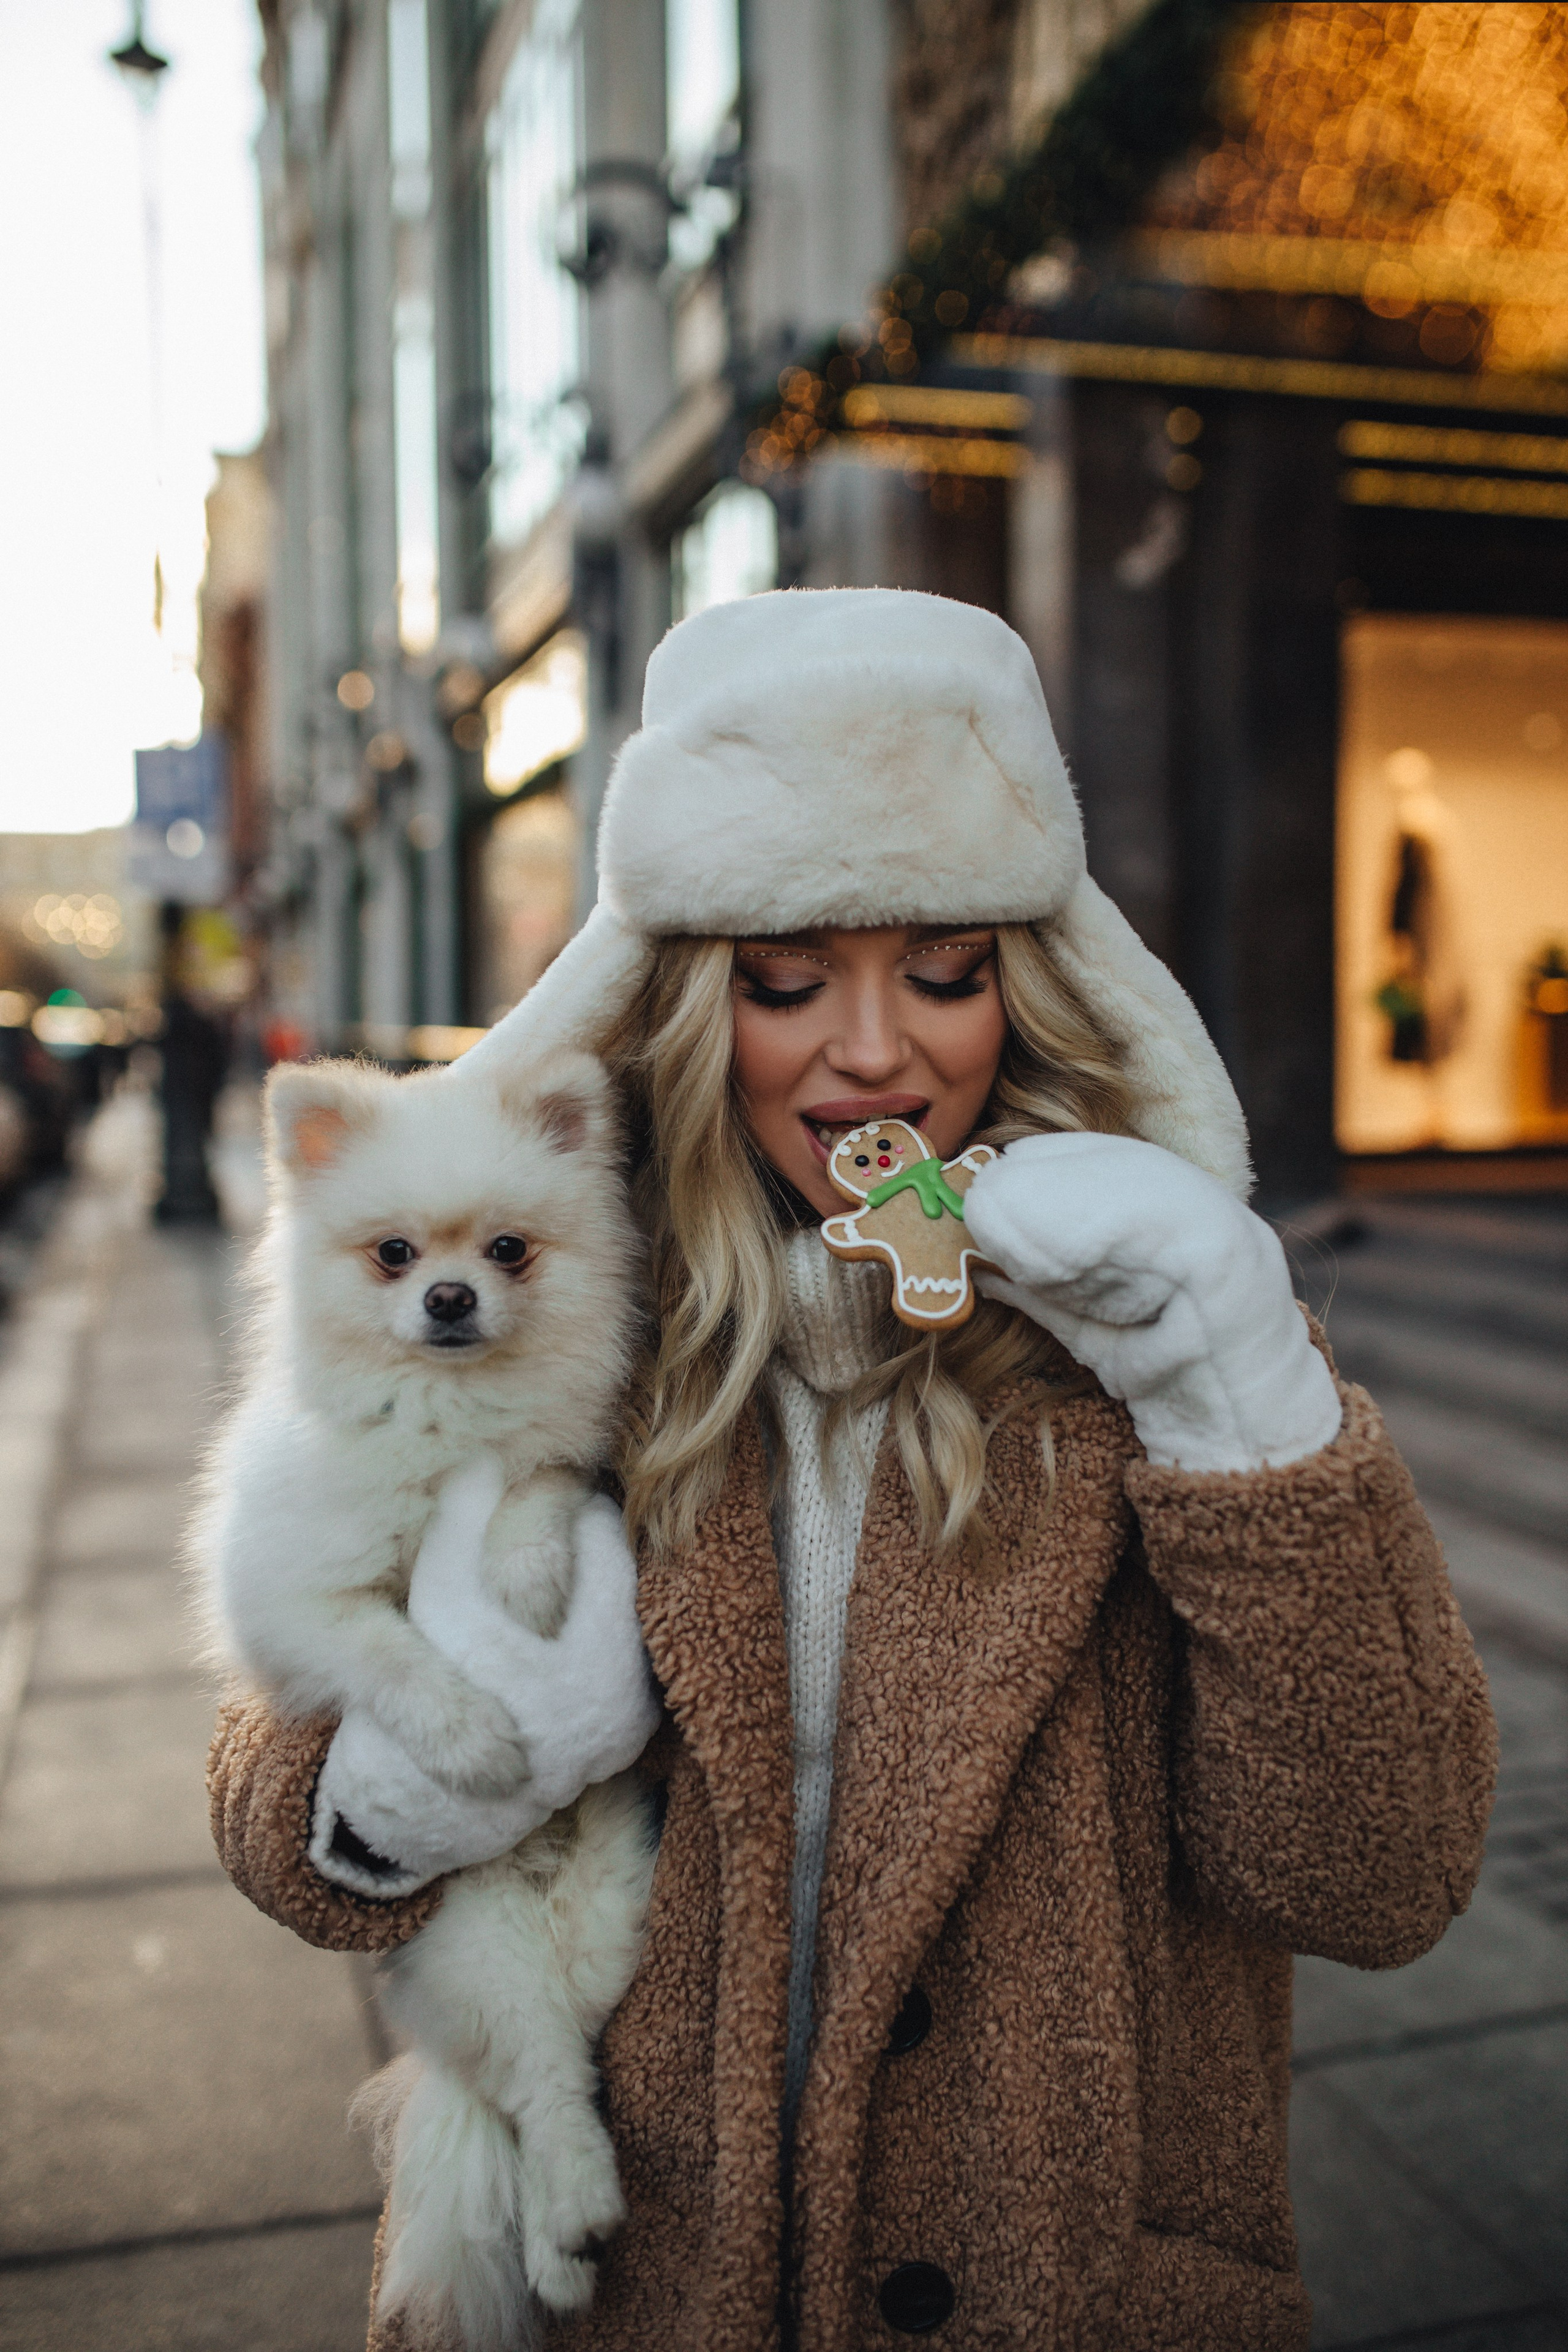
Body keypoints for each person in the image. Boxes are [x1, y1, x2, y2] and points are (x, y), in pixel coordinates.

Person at [208, 590, 1496, 2351]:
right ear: (680, 1007)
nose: (876, 1051)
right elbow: (274, 1799)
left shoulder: (1162, 1344)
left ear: (1029, 988)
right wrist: (381, 1806)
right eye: (788, 980)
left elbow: (1377, 1875)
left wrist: (1237, 1392)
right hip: (642, 2283)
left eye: (948, 973)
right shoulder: (555, 1333)